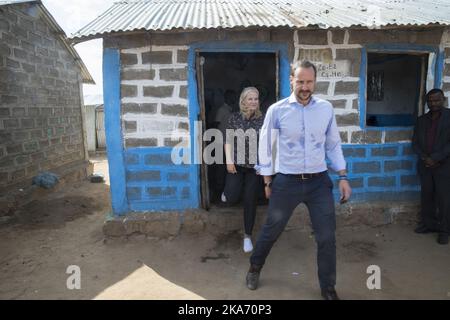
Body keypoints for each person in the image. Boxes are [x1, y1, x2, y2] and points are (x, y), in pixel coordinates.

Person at [245, 60, 352, 300]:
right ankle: (254, 267)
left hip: (318, 183)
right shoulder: (277, 110)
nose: (305, 86)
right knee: (272, 230)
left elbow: (333, 144)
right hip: (287, 182)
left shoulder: (325, 109)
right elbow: (265, 147)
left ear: (315, 82)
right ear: (291, 80)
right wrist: (267, 180)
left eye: (309, 82)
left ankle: (328, 288)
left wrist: (342, 176)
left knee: (326, 237)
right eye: (300, 81)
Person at [221, 87, 264, 253]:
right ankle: (226, 193)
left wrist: (265, 165)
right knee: (231, 196)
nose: (253, 102)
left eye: (256, 99)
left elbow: (266, 142)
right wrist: (229, 160)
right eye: (250, 98)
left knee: (250, 200)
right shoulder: (234, 118)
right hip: (237, 165)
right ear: (243, 101)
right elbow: (228, 140)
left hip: (254, 167)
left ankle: (247, 236)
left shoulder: (262, 119)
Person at [412, 88, 450, 245]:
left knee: (444, 199)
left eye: (437, 100)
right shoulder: (422, 120)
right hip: (425, 165)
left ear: (443, 100)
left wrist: (436, 158)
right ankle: (428, 225)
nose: (433, 103)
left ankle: (444, 231)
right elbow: (415, 143)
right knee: (427, 196)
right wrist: (424, 158)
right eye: (430, 101)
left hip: (444, 165)